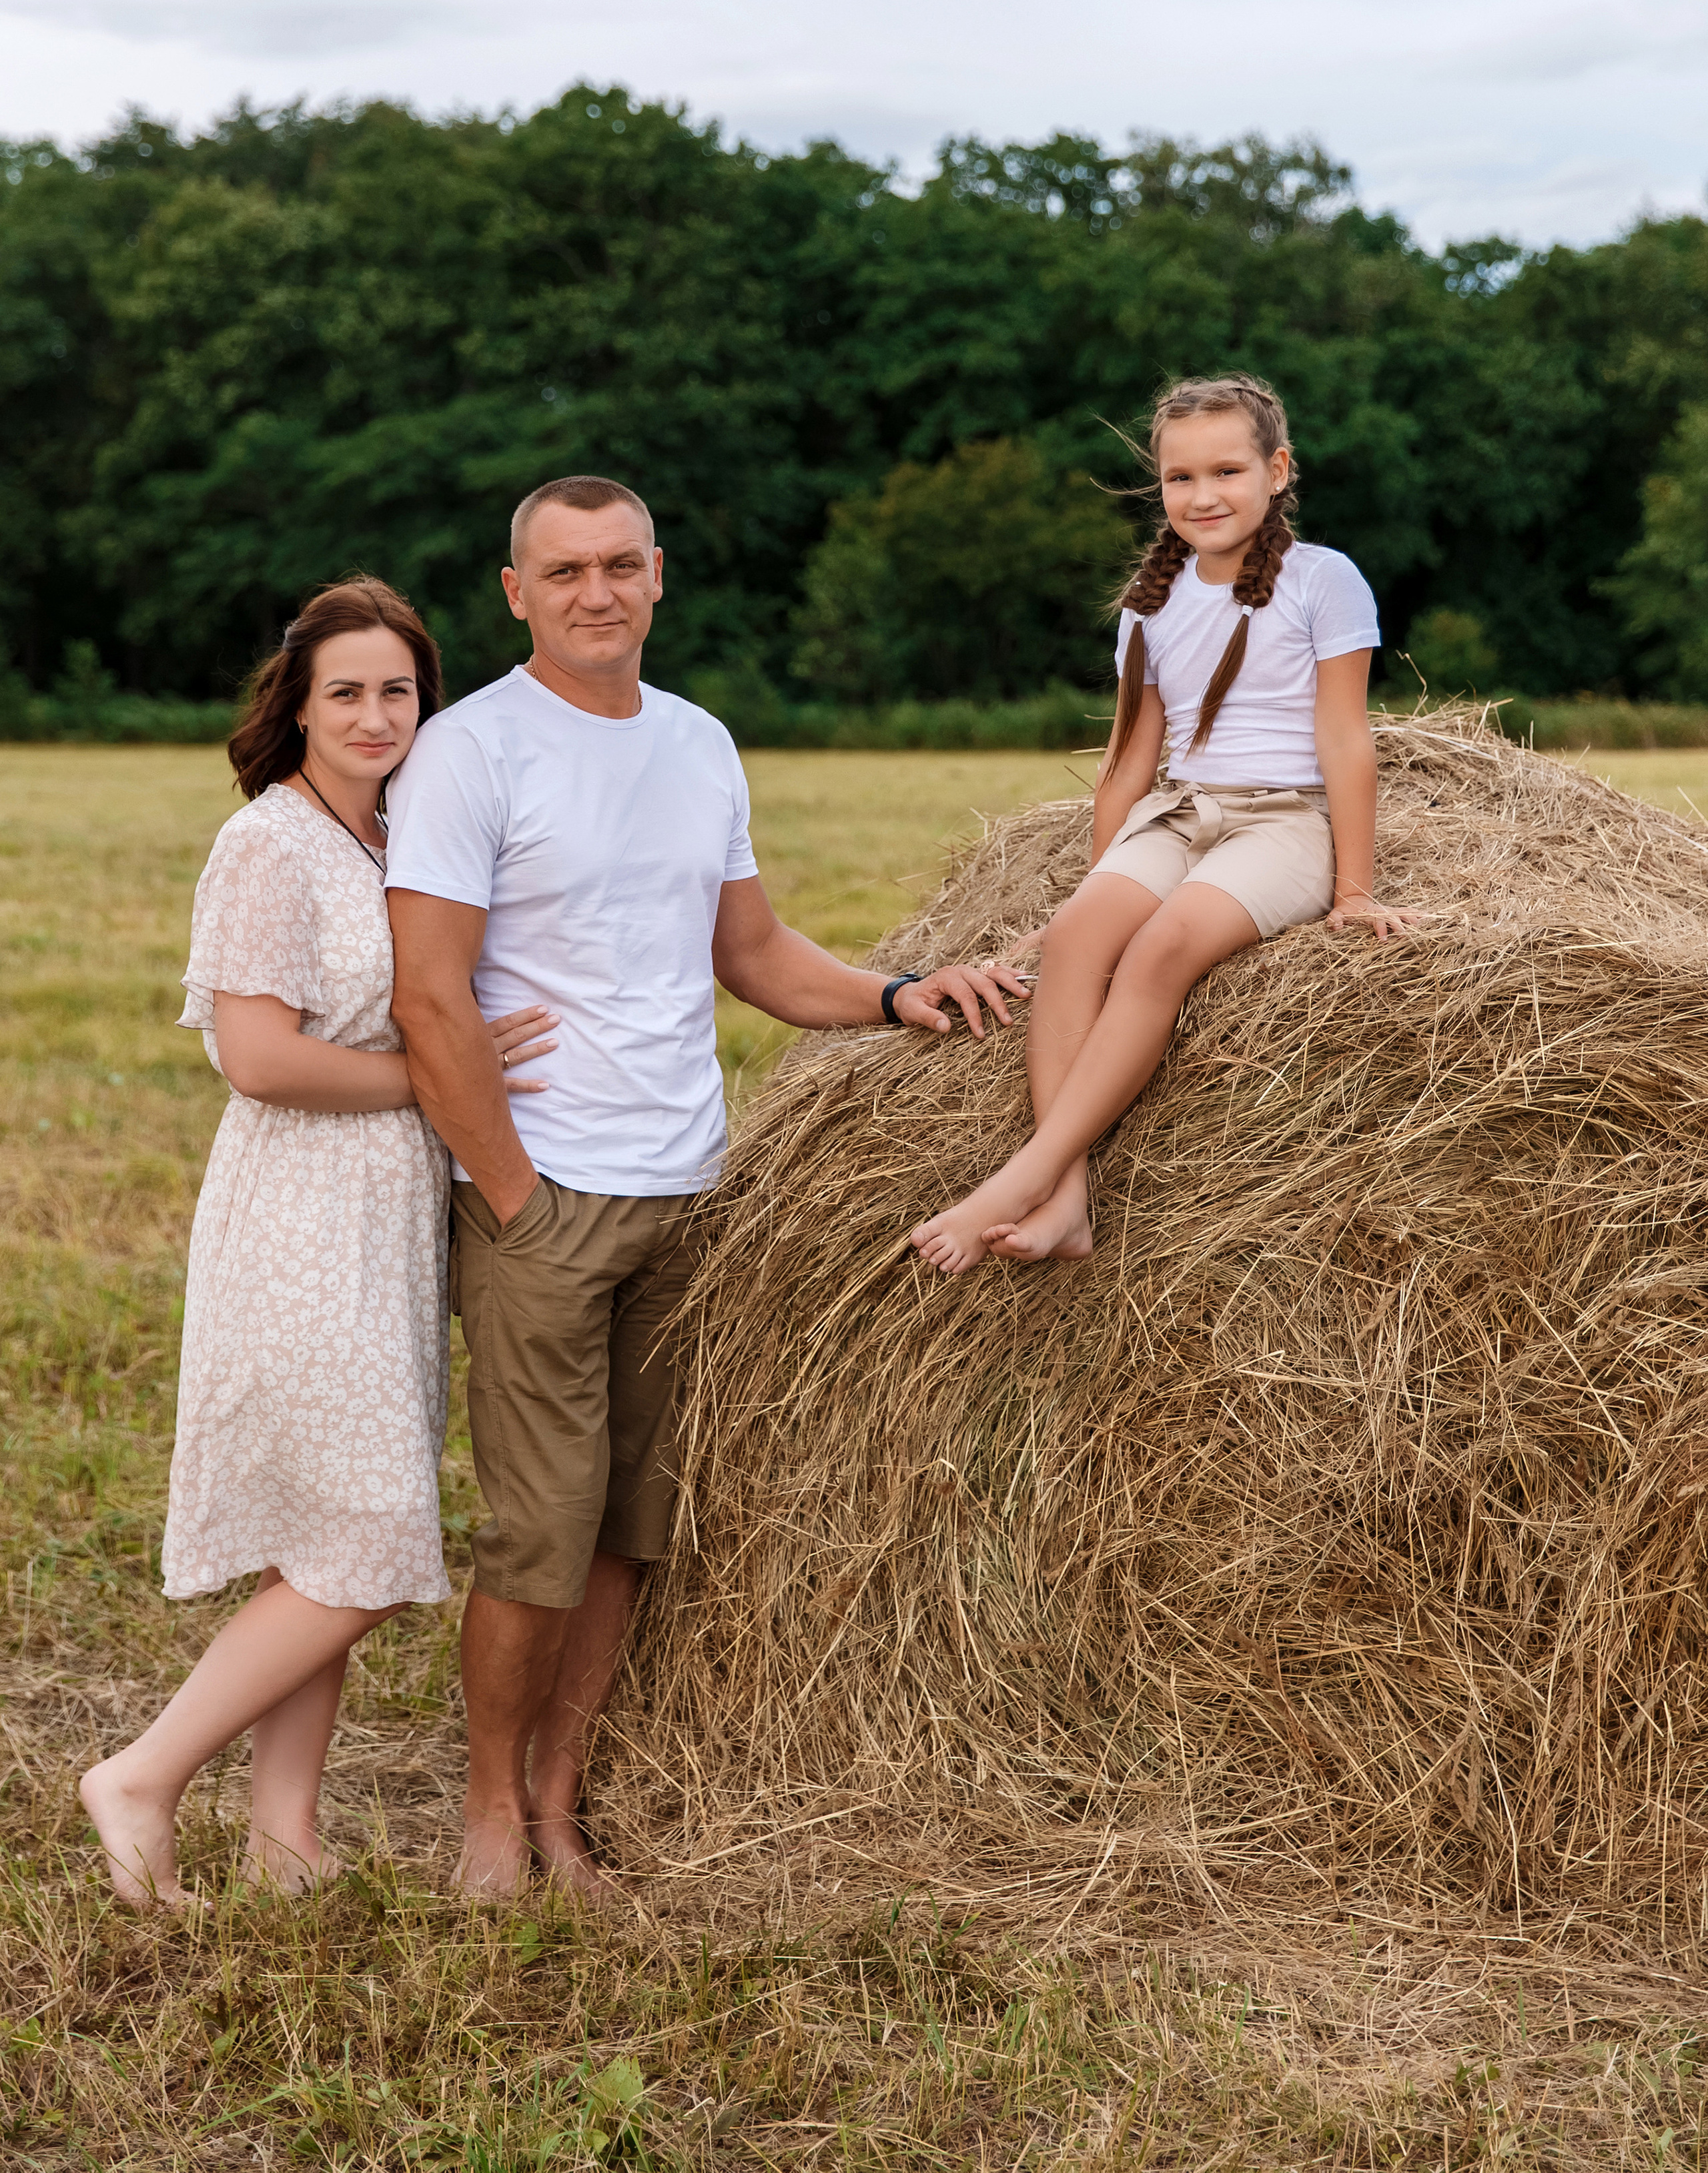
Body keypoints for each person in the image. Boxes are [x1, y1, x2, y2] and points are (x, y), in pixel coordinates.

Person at [383, 474, 1027, 1899]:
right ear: (515, 593)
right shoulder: (470, 752)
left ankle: (561, 1806)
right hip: (546, 1196)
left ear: (658, 576)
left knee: (629, 1528)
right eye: (563, 573)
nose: (594, 594)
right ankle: (488, 1816)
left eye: (619, 566)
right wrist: (510, 1194)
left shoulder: (697, 745)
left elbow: (752, 952)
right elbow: (429, 998)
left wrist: (902, 993)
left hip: (689, 1195)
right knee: (535, 1532)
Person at [79, 578, 556, 1907]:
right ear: (294, 702)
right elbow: (258, 1056)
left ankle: (285, 1842)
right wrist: (442, 1077)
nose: (373, 713)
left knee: (322, 1542)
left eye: (396, 690)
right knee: (364, 1540)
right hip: (301, 1216)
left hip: (385, 1219)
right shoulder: (273, 848)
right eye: (343, 689)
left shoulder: (390, 837)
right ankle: (142, 1774)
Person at [910, 372, 1420, 1277]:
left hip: (1283, 821)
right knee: (1077, 942)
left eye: (1227, 470)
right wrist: (1097, 885)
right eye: (1181, 478)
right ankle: (1067, 1198)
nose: (1204, 495)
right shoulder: (1152, 602)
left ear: (1277, 469)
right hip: (1179, 812)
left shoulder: (1322, 580)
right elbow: (1129, 763)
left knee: (1159, 952)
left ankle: (1023, 1177)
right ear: (1160, 485)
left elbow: (1345, 740)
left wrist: (1354, 891)